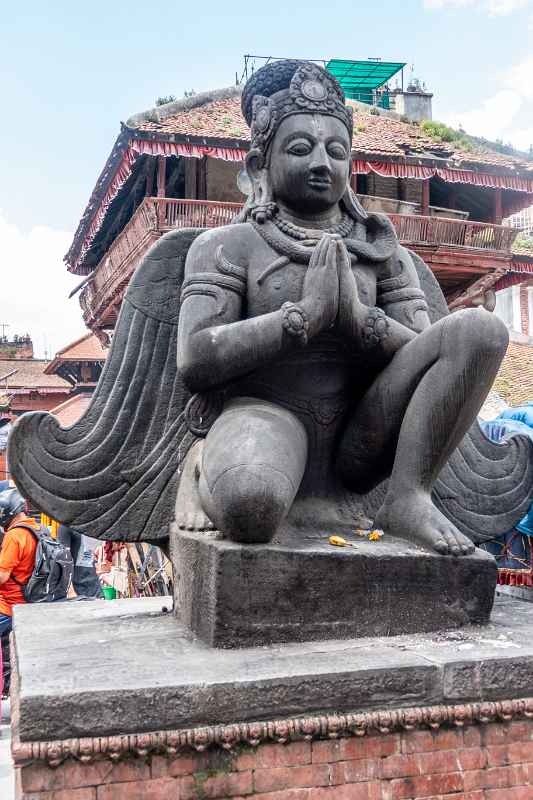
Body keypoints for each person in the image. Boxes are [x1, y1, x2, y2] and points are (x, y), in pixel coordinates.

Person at [0, 488, 38, 636]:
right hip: (29, 602)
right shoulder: (37, 529)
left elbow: (2, 576)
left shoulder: (14, 536)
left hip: (8, 608)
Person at [57, 525, 103, 598]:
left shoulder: (95, 526)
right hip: (76, 590)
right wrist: (70, 590)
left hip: (95, 587)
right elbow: (62, 560)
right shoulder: (66, 526)